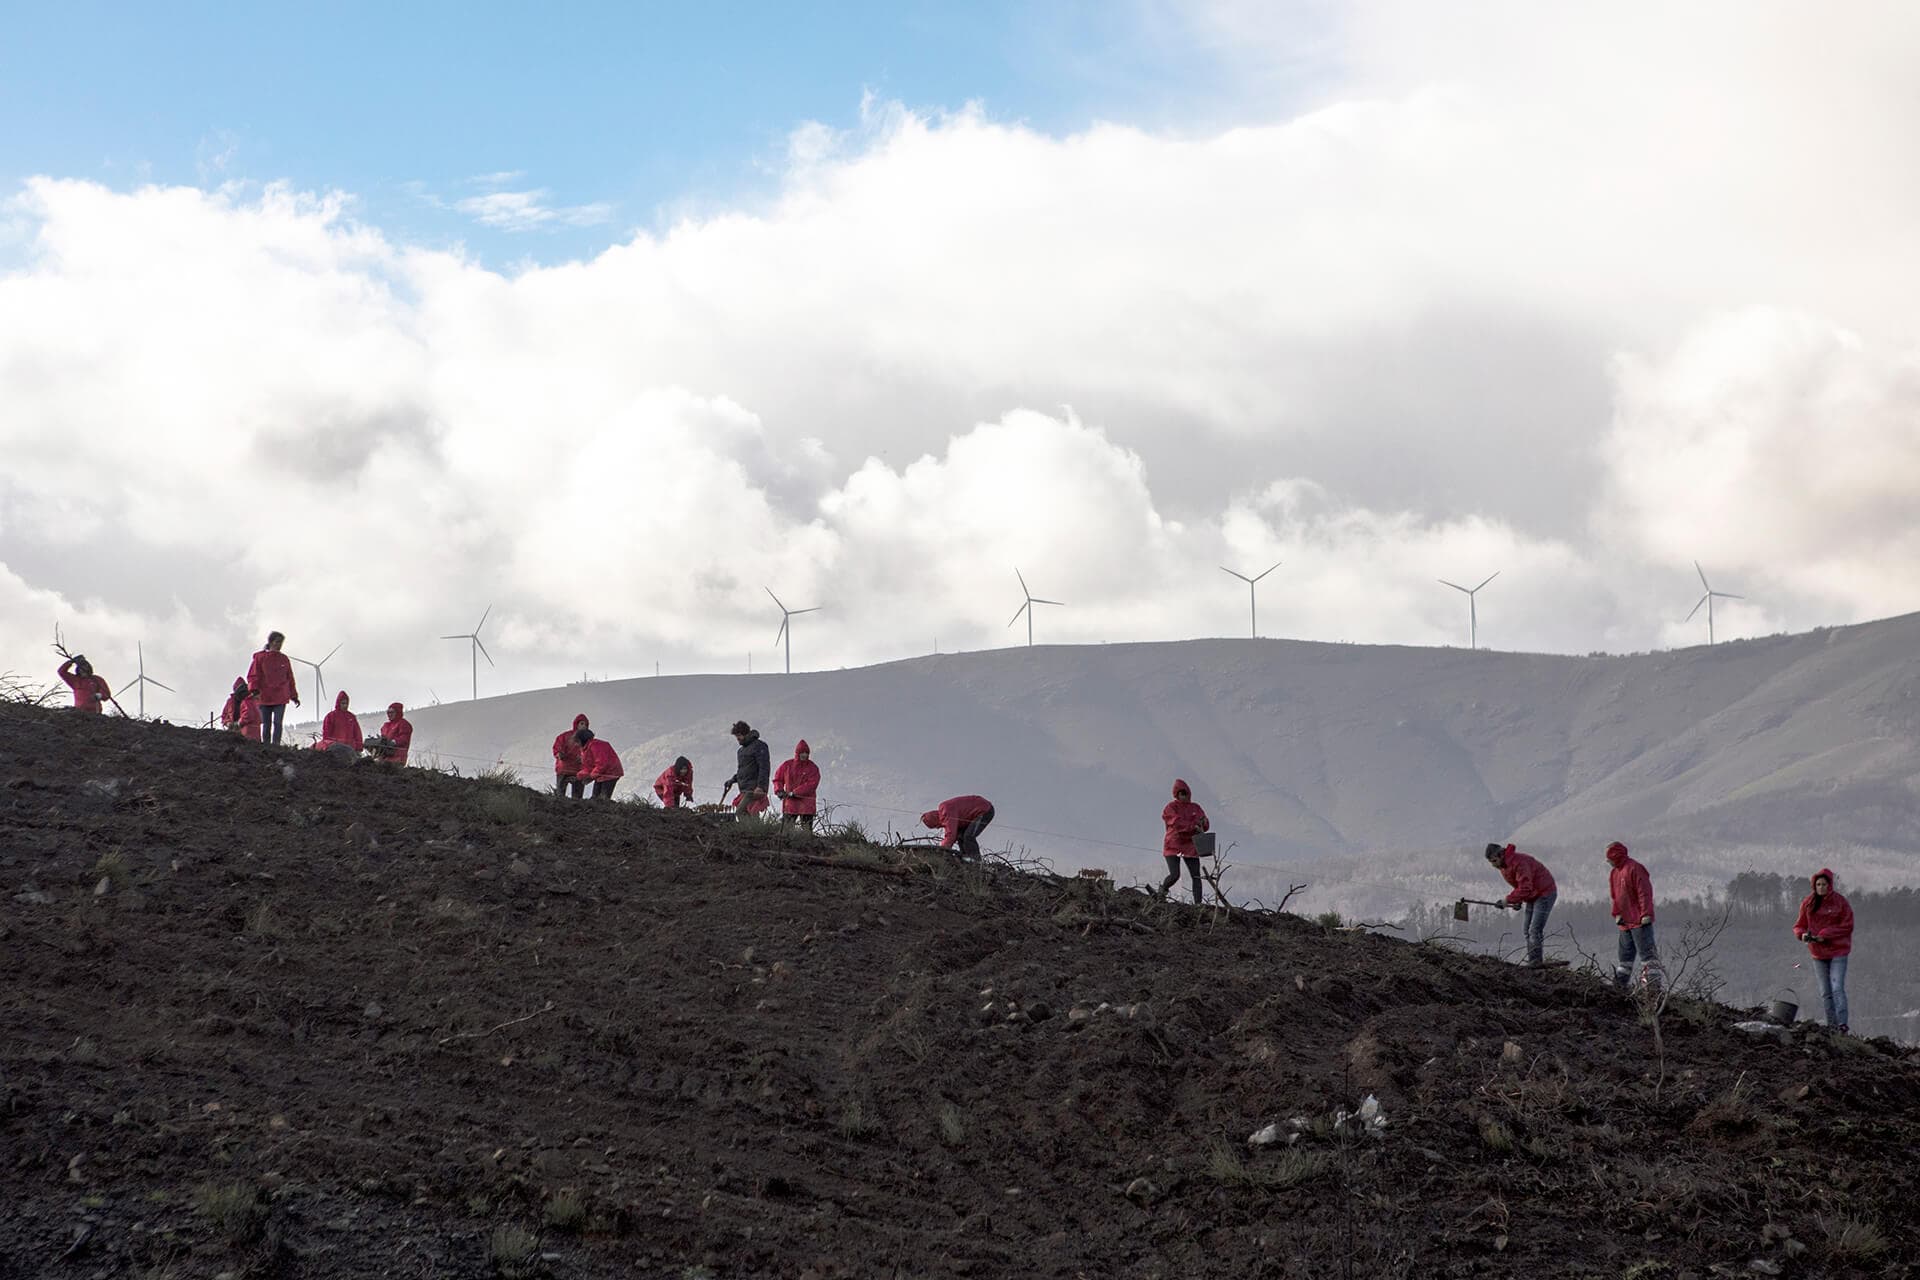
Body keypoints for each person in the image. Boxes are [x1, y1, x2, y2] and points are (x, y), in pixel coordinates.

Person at [1794, 868, 1854, 1032]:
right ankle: (1832, 1026)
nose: (1821, 887)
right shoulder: (1808, 903)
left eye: (1824, 884)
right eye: (1818, 884)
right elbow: (1799, 925)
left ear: (1830, 885)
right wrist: (1803, 935)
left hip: (1838, 952)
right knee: (1825, 992)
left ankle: (1842, 1025)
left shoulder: (1840, 903)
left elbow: (1847, 926)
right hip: (1818, 954)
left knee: (1837, 988)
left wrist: (1825, 935)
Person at [1485, 841, 1557, 967]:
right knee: (1526, 930)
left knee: (1534, 930)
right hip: (1532, 895)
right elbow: (1520, 886)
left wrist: (1507, 900)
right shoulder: (1504, 866)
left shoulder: (1519, 862)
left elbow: (1525, 887)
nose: (1493, 865)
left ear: (1501, 855)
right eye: (1491, 862)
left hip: (1545, 893)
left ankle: (1536, 964)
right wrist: (1517, 900)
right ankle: (1533, 962)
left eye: (1494, 860)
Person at [1606, 840, 1658, 988]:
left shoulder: (1635, 868)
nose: (1608, 861)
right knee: (1625, 958)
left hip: (1639, 920)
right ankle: (1620, 986)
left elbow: (1644, 892)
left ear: (1616, 856)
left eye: (1609, 857)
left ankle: (1652, 987)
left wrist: (1646, 913)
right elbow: (1615, 896)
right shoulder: (1614, 873)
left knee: (1648, 957)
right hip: (1625, 923)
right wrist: (1617, 914)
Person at [1159, 779, 1211, 904]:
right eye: (1181, 794)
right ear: (1176, 794)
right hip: (1173, 845)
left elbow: (1205, 823)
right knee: (1175, 875)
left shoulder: (1195, 807)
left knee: (1196, 876)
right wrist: (1193, 826)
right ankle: (1161, 892)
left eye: (1186, 793)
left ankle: (1198, 904)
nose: (1184, 796)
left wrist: (1204, 823)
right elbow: (1177, 823)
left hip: (1190, 846)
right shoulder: (1171, 807)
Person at [245, 631, 300, 745]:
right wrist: (254, 690)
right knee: (266, 723)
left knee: (278, 723)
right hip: (264, 695)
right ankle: (266, 745)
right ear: (270, 642)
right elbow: (253, 675)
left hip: (281, 696)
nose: (279, 645)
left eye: (281, 643)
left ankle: (276, 745)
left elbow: (290, 678)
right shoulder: (260, 658)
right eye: (277, 642)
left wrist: (294, 696)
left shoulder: (284, 659)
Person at [922, 794, 995, 860]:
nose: (938, 828)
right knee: (960, 835)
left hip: (984, 809)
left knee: (968, 836)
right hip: (970, 816)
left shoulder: (945, 811)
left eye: (935, 826)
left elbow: (951, 835)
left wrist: (942, 851)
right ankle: (966, 859)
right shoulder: (946, 813)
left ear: (935, 819)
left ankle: (976, 861)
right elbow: (954, 834)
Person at [772, 740, 820, 831]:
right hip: (790, 803)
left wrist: (795, 793)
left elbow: (811, 785)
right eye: (802, 752)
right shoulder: (787, 765)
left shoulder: (813, 767)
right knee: (786, 830)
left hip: (806, 804)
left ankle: (807, 844)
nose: (804, 755)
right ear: (797, 753)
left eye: (806, 753)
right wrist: (779, 790)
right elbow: (778, 779)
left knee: (806, 832)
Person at [721, 720, 770, 807]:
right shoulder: (741, 751)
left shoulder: (759, 746)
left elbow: (764, 767)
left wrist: (761, 787)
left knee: (742, 812)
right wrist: (732, 780)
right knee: (745, 813)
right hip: (744, 790)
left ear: (746, 733)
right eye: (736, 736)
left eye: (739, 735)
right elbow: (744, 770)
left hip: (754, 790)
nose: (737, 738)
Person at [574, 728, 624, 800]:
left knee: (603, 798)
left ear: (582, 740)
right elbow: (589, 767)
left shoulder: (595, 745)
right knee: (595, 797)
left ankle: (606, 809)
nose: (576, 744)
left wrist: (591, 777)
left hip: (610, 773)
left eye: (577, 742)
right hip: (601, 774)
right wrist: (578, 776)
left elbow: (602, 764)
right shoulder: (585, 749)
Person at [315, 690, 364, 757]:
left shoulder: (352, 717)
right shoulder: (330, 717)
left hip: (351, 751)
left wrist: (359, 747)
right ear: (338, 703)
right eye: (343, 703)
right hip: (335, 751)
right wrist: (327, 747)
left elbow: (357, 733)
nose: (345, 705)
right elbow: (326, 736)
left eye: (346, 703)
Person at [552, 713, 591, 798]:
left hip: (579, 770)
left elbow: (590, 753)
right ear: (576, 724)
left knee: (577, 798)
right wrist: (559, 754)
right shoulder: (565, 736)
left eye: (585, 724)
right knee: (560, 796)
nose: (584, 726)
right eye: (581, 723)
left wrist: (584, 759)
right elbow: (558, 747)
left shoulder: (588, 739)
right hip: (564, 768)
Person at [375, 701, 412, 766]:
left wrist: (392, 742)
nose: (389, 714)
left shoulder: (404, 724)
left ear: (398, 712)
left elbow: (404, 739)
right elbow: (383, 738)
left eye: (392, 712)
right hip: (384, 756)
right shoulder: (386, 725)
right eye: (388, 712)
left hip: (397, 757)